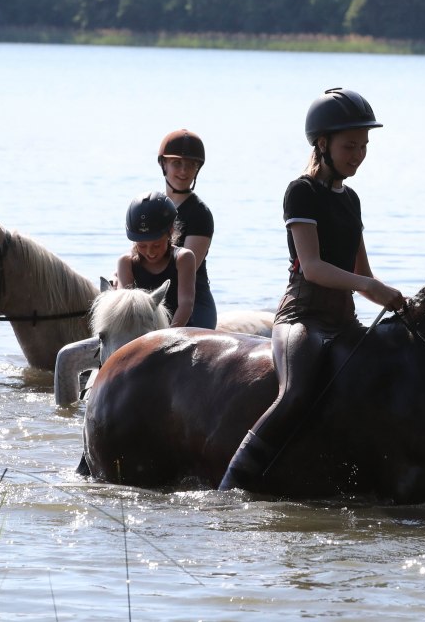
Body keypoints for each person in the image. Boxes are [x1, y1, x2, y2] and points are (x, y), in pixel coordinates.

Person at [218, 87, 406, 491]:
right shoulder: (301, 191)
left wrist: (398, 301)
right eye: (349, 146)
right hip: (303, 316)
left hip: (344, 319)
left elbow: (362, 271)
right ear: (323, 144)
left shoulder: (351, 200)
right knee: (296, 393)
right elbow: (315, 268)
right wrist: (369, 284)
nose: (358, 155)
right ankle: (234, 483)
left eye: (364, 146)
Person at [158, 128, 218, 329]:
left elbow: (186, 270)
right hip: (156, 297)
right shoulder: (152, 206)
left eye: (190, 165)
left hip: (192, 301)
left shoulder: (200, 213)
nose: (183, 171)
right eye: (177, 163)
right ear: (163, 164)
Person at [115, 191, 198, 329]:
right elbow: (125, 308)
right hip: (139, 334)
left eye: (156, 245)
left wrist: (165, 338)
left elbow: (186, 305)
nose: (150, 252)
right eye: (142, 245)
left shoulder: (184, 258)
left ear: (170, 231)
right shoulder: (126, 263)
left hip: (178, 332)